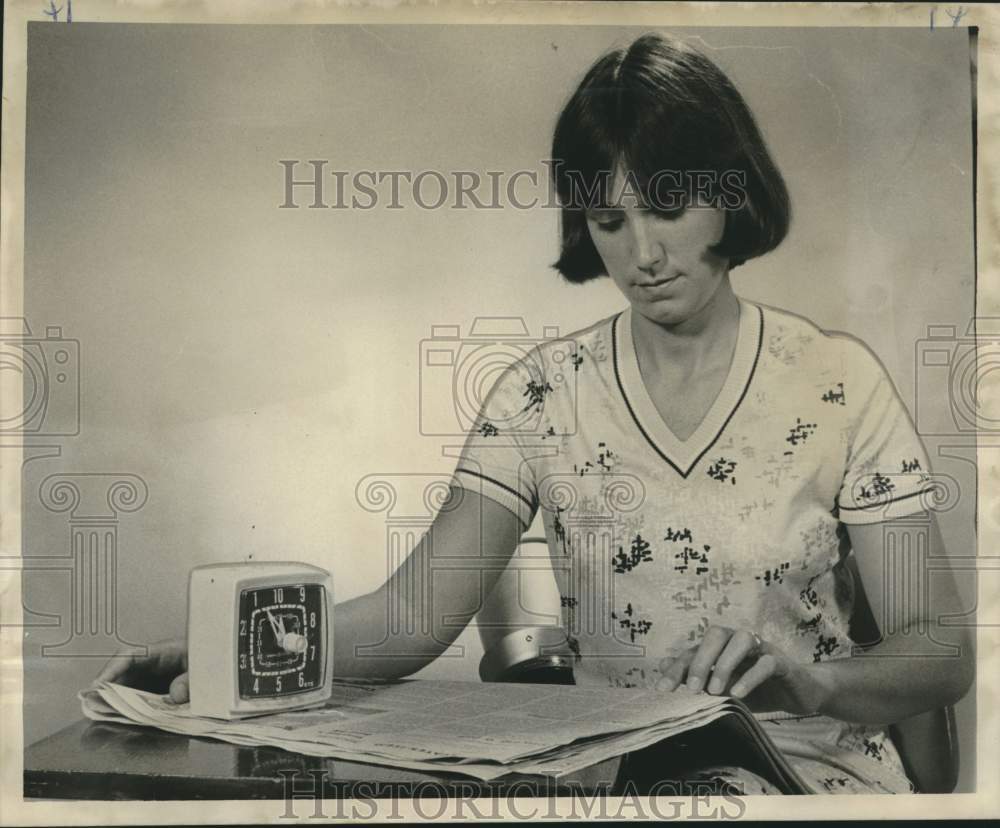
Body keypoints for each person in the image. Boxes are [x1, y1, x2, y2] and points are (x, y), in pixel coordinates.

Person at [99, 33, 973, 795]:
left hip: (810, 774)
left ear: (731, 193)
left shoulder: (837, 382)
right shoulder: (540, 392)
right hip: (623, 778)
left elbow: (940, 649)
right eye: (610, 219)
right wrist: (218, 653)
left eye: (669, 208)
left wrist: (811, 681)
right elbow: (411, 619)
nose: (645, 253)